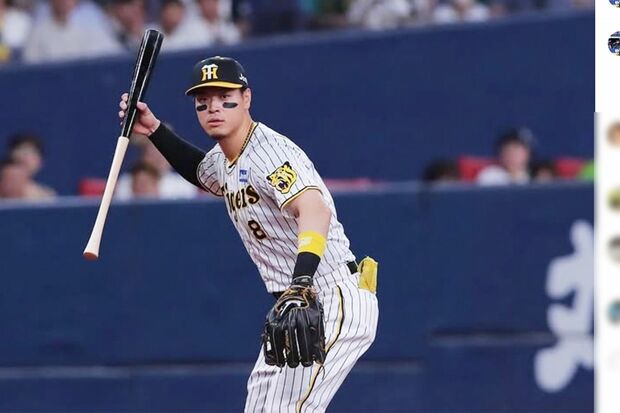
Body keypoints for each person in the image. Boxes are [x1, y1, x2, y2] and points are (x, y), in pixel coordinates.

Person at [117, 56, 378, 412]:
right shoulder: (227, 159)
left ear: (247, 98)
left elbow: (314, 210)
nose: (214, 108)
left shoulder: (268, 152)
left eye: (225, 98)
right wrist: (154, 130)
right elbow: (201, 171)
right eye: (203, 101)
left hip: (330, 295)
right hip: (297, 302)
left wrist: (300, 283)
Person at [22, 0, 121, 63]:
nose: (63, 1)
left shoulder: (92, 23)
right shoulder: (38, 32)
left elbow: (113, 56)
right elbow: (31, 68)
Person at [115, 132, 197, 200]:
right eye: (153, 154)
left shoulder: (183, 185)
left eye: (163, 154)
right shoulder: (125, 184)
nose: (158, 159)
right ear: (143, 155)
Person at [7, 134, 56, 199]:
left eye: (31, 152)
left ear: (40, 162)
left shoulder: (47, 196)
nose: (24, 156)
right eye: (20, 149)